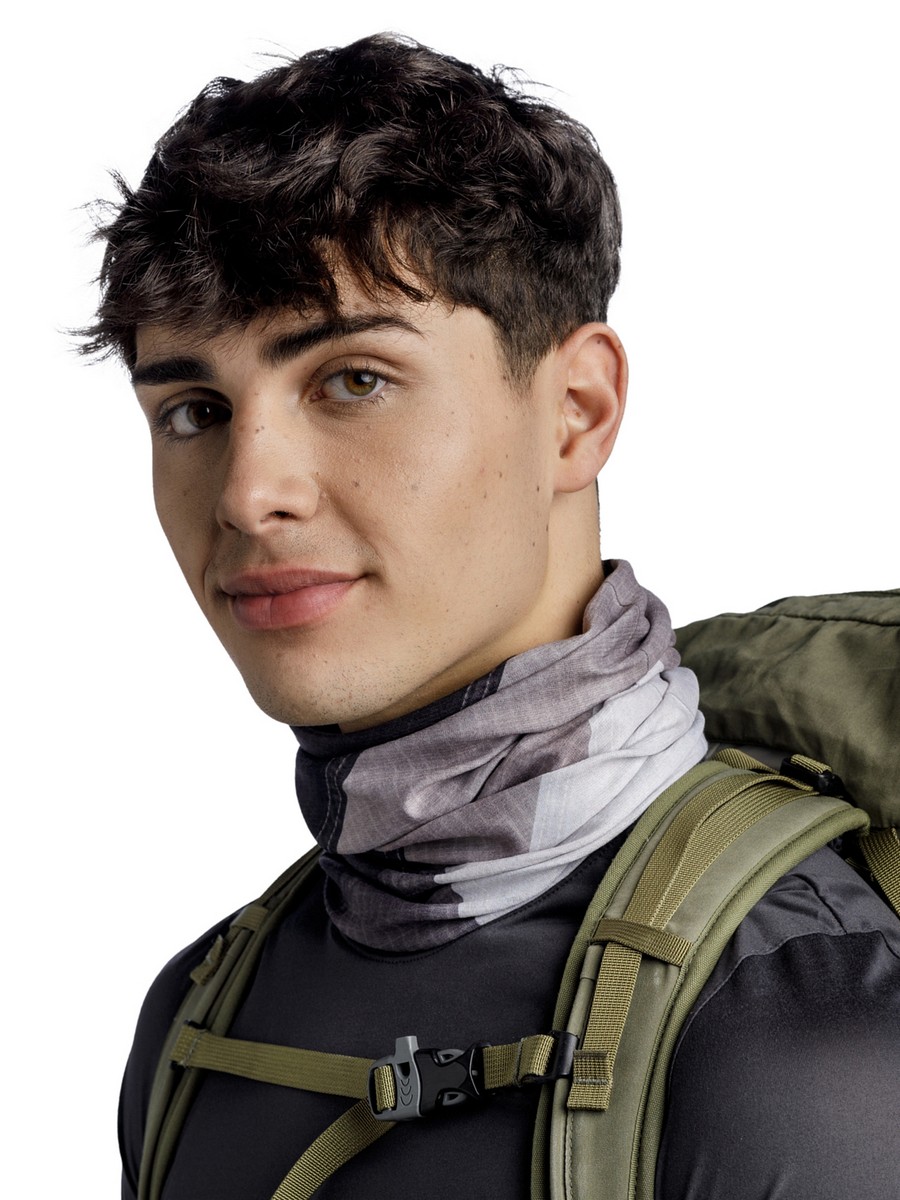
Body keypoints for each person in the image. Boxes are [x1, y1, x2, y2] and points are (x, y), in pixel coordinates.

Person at [85, 33, 900, 1200]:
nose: (250, 493)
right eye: (194, 410)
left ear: (577, 411)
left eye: (353, 380)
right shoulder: (199, 1013)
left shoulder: (800, 1037)